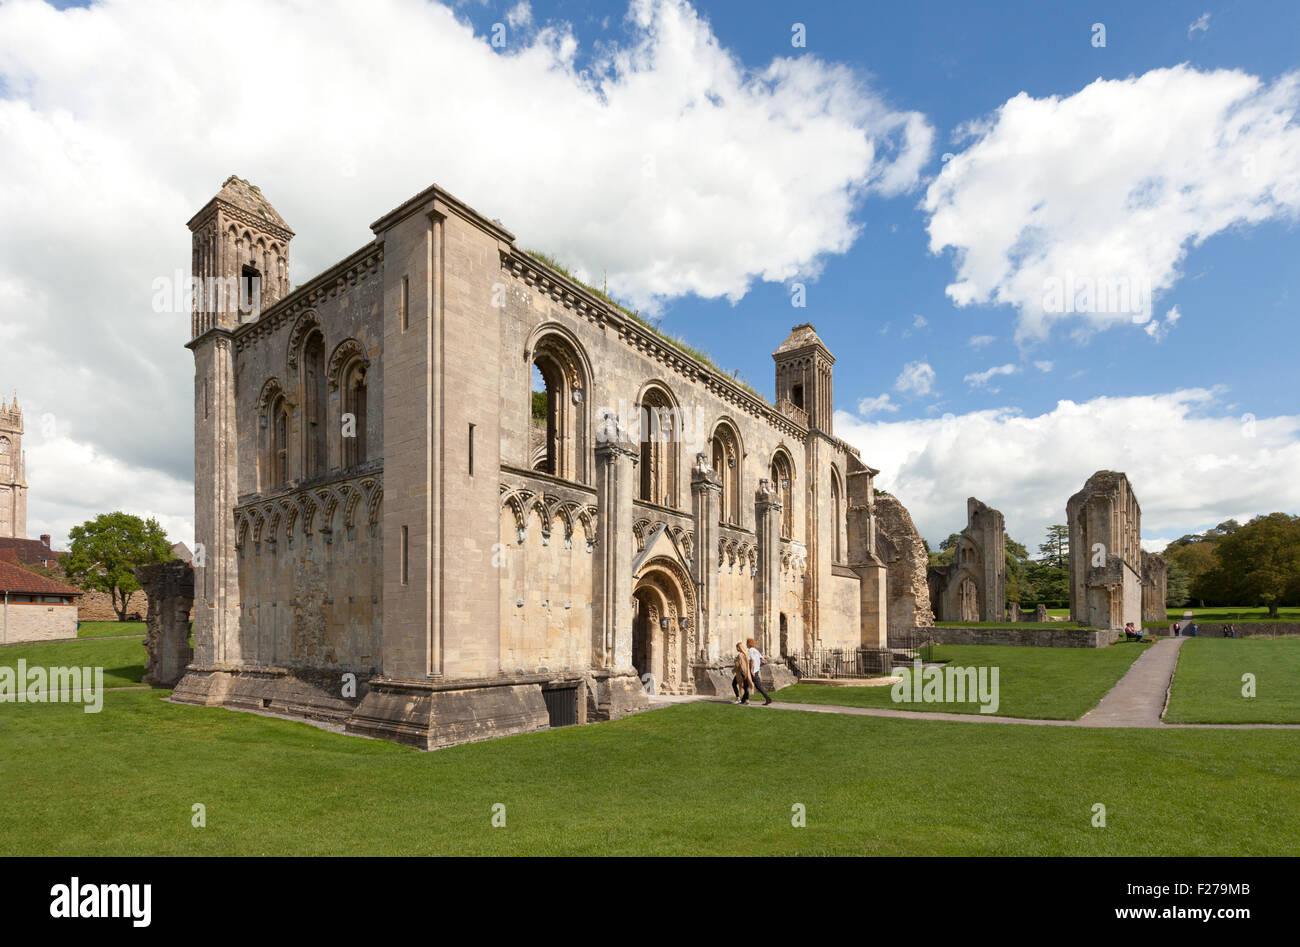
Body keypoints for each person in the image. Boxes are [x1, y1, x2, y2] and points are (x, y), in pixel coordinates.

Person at [746, 637, 773, 706]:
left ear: (748, 644)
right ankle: (746, 699)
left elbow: (752, 661)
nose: (746, 644)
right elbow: (763, 659)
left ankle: (747, 700)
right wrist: (760, 662)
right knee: (752, 685)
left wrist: (752, 670)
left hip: (752, 671)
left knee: (751, 685)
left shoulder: (750, 650)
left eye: (747, 643)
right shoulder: (756, 650)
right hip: (757, 670)